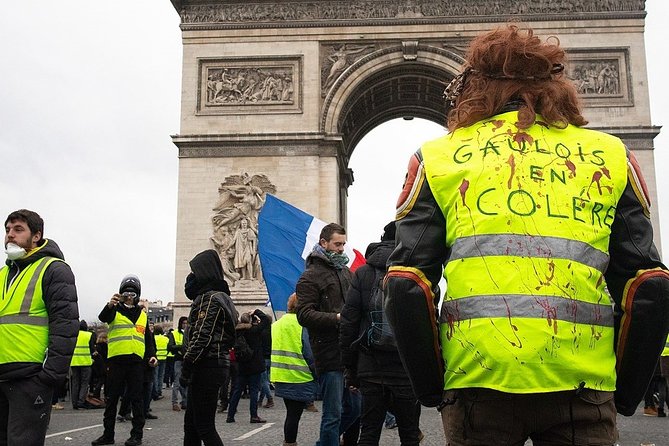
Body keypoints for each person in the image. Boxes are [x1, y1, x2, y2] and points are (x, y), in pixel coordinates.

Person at [384, 24, 669, 445]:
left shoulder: (440, 157)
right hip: (582, 384)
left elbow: (406, 286)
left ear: (475, 86)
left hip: (478, 382)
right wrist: (624, 393)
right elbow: (650, 287)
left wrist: (432, 388)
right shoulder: (610, 155)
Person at [0, 209, 79, 446]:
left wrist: (49, 376)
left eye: (18, 229)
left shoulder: (54, 269)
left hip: (30, 377)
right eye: (7, 230)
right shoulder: (3, 274)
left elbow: (65, 325)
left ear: (36, 235)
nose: (10, 235)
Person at [340, 221, 422, 446]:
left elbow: (349, 322)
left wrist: (350, 368)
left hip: (370, 366)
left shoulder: (363, 273)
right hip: (405, 368)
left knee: (369, 432)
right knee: (410, 434)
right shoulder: (415, 271)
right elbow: (426, 324)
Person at [296, 223, 361, 446]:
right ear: (323, 243)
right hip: (329, 353)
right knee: (332, 415)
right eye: (337, 244)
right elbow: (303, 315)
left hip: (350, 352)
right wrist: (336, 318)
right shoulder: (309, 277)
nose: (342, 248)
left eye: (343, 243)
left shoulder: (347, 272)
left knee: (355, 410)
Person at [181, 249, 238, 446]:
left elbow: (202, 337)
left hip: (206, 366)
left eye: (194, 273)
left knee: (204, 426)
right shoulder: (222, 298)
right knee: (192, 425)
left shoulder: (210, 299)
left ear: (204, 272)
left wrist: (187, 365)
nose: (190, 278)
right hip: (214, 364)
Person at [92, 274, 157, 446]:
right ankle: (108, 435)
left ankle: (137, 435)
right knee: (112, 399)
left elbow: (148, 339)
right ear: (120, 294)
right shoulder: (114, 310)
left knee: (137, 399)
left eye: (133, 294)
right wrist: (110, 304)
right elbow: (103, 317)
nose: (129, 297)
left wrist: (152, 355)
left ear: (138, 296)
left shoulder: (143, 315)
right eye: (126, 294)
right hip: (116, 361)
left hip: (137, 363)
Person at [271, 293, 319, 446]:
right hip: (300, 376)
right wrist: (316, 373)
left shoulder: (277, 324)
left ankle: (289, 442)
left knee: (291, 413)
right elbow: (309, 354)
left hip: (280, 375)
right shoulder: (302, 325)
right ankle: (290, 442)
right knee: (294, 415)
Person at [226, 309, 271, 423]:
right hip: (255, 364)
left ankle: (230, 415)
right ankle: (254, 416)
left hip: (241, 365)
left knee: (237, 390)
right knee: (254, 391)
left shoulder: (236, 332)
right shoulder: (254, 330)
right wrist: (256, 311)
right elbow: (266, 320)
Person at [70, 320, 96, 409]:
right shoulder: (88, 335)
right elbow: (92, 348)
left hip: (74, 362)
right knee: (84, 383)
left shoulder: (74, 335)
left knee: (75, 382)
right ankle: (81, 401)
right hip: (85, 361)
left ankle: (74, 402)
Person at [168, 316, 188, 411]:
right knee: (177, 381)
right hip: (178, 359)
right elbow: (170, 346)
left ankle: (185, 401)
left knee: (187, 381)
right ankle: (174, 402)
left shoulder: (190, 333)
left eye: (186, 323)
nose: (185, 325)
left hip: (188, 359)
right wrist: (181, 347)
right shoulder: (174, 333)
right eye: (183, 323)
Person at [257, 315, 274, 409]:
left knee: (264, 381)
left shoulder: (262, 332)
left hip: (263, 357)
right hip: (271, 357)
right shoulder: (273, 330)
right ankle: (260, 400)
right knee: (266, 380)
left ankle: (270, 398)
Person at [152, 325, 169, 401]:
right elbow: (168, 348)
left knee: (155, 375)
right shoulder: (165, 338)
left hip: (156, 358)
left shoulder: (154, 338)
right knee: (161, 376)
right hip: (164, 358)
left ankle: (155, 391)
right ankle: (159, 391)